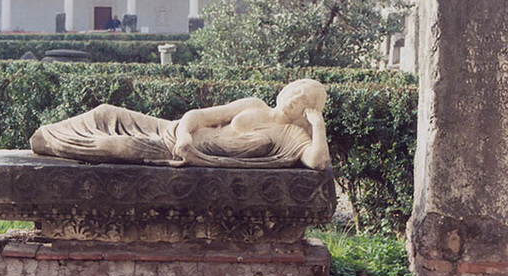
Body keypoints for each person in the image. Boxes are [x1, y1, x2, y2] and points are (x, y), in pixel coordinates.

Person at [30, 79, 331, 170]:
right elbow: (198, 116)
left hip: (177, 154)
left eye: (305, 101)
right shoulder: (254, 105)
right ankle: (46, 135)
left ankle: (52, 142)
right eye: (296, 91)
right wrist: (184, 134)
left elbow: (318, 162)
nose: (295, 99)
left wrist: (318, 126)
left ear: (309, 111)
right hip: (175, 134)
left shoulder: (291, 135)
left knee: (114, 144)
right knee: (107, 112)